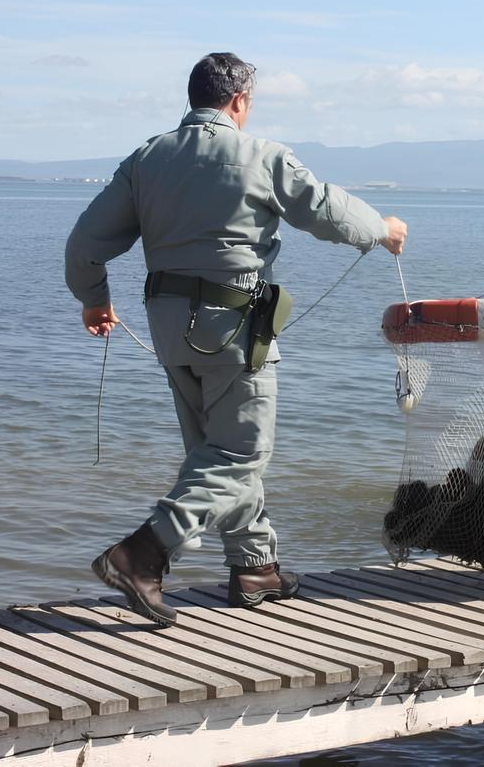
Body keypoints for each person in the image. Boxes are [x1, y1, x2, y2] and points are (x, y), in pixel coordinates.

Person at [66, 52, 408, 626]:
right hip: (231, 327)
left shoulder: (146, 158)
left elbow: (85, 243)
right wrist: (384, 229)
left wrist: (94, 298)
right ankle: (142, 552)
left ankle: (255, 567)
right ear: (240, 101)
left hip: (167, 327)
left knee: (215, 448)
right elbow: (324, 210)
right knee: (242, 450)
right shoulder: (262, 155)